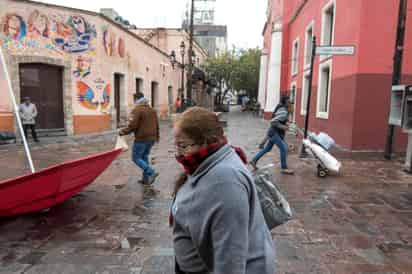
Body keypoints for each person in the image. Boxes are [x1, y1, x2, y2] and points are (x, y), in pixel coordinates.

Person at [171, 107, 276, 274]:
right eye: (175, 146)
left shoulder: (226, 181)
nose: (177, 154)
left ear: (205, 141)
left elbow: (231, 259)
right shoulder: (208, 161)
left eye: (182, 146)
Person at [119, 92, 159, 185]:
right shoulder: (151, 109)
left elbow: (132, 125)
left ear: (135, 99)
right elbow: (157, 124)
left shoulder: (137, 110)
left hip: (142, 138)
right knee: (144, 157)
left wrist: (123, 131)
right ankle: (145, 179)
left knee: (135, 158)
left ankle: (151, 172)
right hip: (151, 138)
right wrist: (157, 136)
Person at [249, 95, 294, 174]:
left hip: (274, 132)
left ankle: (254, 160)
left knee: (267, 149)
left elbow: (279, 119)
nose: (290, 103)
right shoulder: (284, 111)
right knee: (284, 148)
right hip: (274, 133)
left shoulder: (282, 109)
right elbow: (273, 122)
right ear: (285, 102)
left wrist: (287, 123)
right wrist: (284, 127)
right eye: (289, 101)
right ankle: (284, 168)